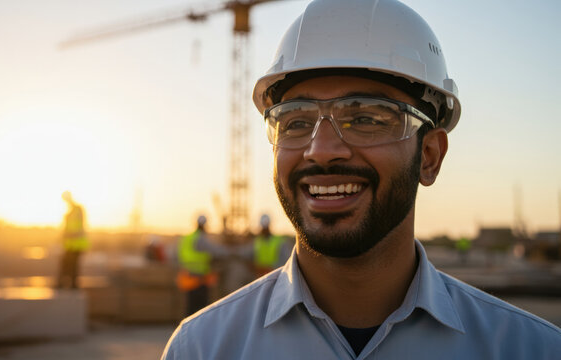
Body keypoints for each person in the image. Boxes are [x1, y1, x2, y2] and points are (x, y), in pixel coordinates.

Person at [162, 0, 561, 358]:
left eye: (366, 118)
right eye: (296, 121)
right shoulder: (202, 348)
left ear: (429, 156)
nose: (320, 150)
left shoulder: (527, 349)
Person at [176, 215, 229, 317]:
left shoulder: (188, 237)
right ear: (204, 225)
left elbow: (178, 255)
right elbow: (215, 251)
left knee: (191, 305)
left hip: (188, 274)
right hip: (199, 277)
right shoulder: (200, 239)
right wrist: (229, 251)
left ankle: (189, 328)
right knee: (201, 307)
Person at [56, 191, 89, 289]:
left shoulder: (77, 210)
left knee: (71, 265)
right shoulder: (71, 211)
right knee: (68, 264)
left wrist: (69, 234)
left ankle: (69, 285)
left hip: (76, 243)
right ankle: (68, 285)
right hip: (70, 244)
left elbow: (78, 227)